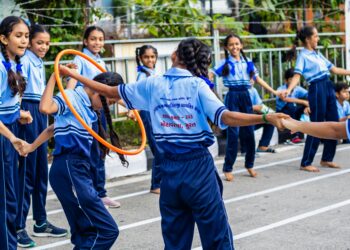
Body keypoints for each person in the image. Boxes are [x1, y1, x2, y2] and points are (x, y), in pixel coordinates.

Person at [59, 38, 288, 250]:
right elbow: (225, 117)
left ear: (175, 55)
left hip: (170, 172)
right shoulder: (197, 85)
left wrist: (71, 75)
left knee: (175, 238)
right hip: (198, 169)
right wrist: (265, 117)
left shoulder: (152, 84)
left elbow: (109, 91)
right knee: (216, 235)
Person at [25, 71, 125, 249]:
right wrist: (55, 76)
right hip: (70, 167)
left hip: (75, 169)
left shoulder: (87, 108)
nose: (105, 108)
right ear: (98, 91)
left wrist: (30, 147)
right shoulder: (72, 97)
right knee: (107, 230)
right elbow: (45, 108)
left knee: (84, 233)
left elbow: (53, 128)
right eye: (108, 102)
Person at [16, 24, 67, 248]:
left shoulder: (38, 61)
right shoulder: (24, 59)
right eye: (39, 42)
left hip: (40, 111)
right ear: (29, 42)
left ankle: (40, 221)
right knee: (26, 175)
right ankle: (17, 227)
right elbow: (17, 91)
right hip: (28, 112)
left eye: (47, 43)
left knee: (40, 173)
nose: (44, 46)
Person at [210, 34, 281, 181]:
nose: (234, 47)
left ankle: (250, 164)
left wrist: (274, 92)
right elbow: (211, 73)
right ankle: (228, 168)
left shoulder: (248, 62)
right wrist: (206, 79)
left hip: (246, 96)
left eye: (237, 44)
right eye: (231, 45)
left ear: (241, 45)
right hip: (232, 97)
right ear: (226, 47)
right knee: (233, 134)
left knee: (249, 132)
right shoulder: (224, 63)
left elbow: (257, 79)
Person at [283, 26, 350, 172]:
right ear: (307, 39)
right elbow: (297, 75)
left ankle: (327, 158)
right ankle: (306, 161)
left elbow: (334, 70)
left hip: (327, 86)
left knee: (334, 122)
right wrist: (288, 90)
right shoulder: (303, 56)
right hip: (317, 88)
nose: (318, 39)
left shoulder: (317, 54)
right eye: (316, 36)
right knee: (316, 125)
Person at [68, 26, 121, 208]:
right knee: (88, 152)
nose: (97, 42)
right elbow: (72, 84)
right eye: (93, 39)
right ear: (85, 41)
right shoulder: (80, 59)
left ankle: (100, 192)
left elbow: (108, 89)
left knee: (100, 151)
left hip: (100, 110)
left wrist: (127, 106)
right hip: (86, 111)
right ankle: (89, 192)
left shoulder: (100, 61)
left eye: (100, 39)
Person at [0, 15, 33, 250]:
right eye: (18, 36)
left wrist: (19, 113)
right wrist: (12, 138)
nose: (23, 41)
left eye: (26, 36)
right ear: (3, 38)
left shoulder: (13, 63)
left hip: (10, 129)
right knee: (6, 198)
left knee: (11, 194)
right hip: (4, 136)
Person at [136, 45, 162, 194]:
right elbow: (138, 94)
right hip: (147, 113)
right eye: (146, 57)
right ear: (141, 58)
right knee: (158, 148)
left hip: (155, 112)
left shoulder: (153, 73)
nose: (150, 59)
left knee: (161, 146)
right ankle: (156, 184)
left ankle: (160, 181)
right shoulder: (142, 75)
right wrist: (133, 110)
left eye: (152, 57)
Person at [276, 68, 309, 144]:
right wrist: (303, 102)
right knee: (291, 105)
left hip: (293, 112)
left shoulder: (298, 89)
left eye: (295, 79)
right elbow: (285, 99)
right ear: (286, 80)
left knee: (310, 105)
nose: (294, 82)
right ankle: (294, 136)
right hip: (282, 112)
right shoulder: (281, 89)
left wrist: (308, 106)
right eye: (291, 79)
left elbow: (309, 95)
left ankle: (314, 133)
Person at [240, 86, 276, 154]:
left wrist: (271, 113)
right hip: (238, 121)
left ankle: (263, 146)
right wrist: (253, 108)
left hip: (251, 117)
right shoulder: (235, 91)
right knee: (245, 122)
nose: (252, 80)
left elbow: (260, 106)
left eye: (252, 77)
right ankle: (245, 150)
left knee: (270, 119)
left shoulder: (253, 90)